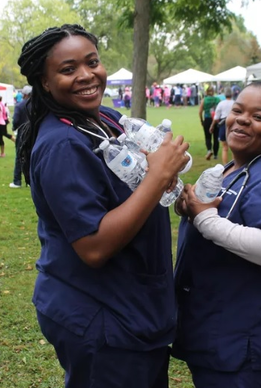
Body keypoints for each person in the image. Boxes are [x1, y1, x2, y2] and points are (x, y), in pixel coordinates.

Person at [16, 23, 189, 388]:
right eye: (68, 69)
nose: (86, 75)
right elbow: (93, 247)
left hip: (136, 304)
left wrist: (162, 176)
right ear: (45, 82)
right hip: (102, 314)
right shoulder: (63, 144)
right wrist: (157, 177)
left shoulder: (105, 118)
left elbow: (135, 184)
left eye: (92, 62)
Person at [172, 81, 261, 388]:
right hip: (218, 329)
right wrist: (190, 208)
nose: (243, 120)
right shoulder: (233, 168)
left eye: (258, 117)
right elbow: (218, 211)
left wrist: (206, 219)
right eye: (237, 111)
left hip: (245, 340)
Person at [10, 88, 32, 188]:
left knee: (20, 156)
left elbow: (16, 120)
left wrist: (14, 127)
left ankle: (17, 181)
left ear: (24, 94)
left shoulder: (20, 105)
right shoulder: (37, 105)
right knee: (32, 155)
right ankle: (32, 180)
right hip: (35, 133)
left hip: (23, 133)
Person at [210, 87, 234, 165]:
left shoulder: (221, 103)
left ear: (224, 94)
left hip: (223, 124)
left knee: (224, 148)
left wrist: (212, 125)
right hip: (233, 125)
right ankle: (235, 165)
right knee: (233, 148)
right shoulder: (235, 103)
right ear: (232, 94)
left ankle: (225, 165)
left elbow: (216, 116)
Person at [200, 87, 220, 160]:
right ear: (213, 92)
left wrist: (201, 120)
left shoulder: (204, 100)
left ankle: (209, 150)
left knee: (207, 136)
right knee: (216, 137)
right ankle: (215, 155)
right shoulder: (218, 99)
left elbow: (200, 112)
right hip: (216, 119)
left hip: (207, 119)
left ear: (206, 92)